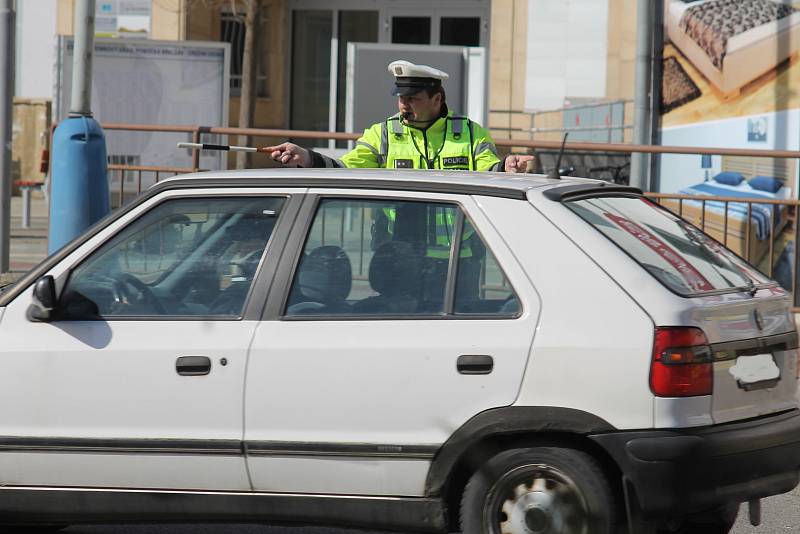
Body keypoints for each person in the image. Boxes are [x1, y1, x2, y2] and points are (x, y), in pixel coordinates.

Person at [264, 60, 533, 173]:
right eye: (401, 97)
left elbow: (488, 170)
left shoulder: (472, 133)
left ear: (437, 99)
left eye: (412, 98)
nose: (403, 104)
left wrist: (506, 166)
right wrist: (307, 157)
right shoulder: (382, 134)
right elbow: (347, 170)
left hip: (458, 259)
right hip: (397, 254)